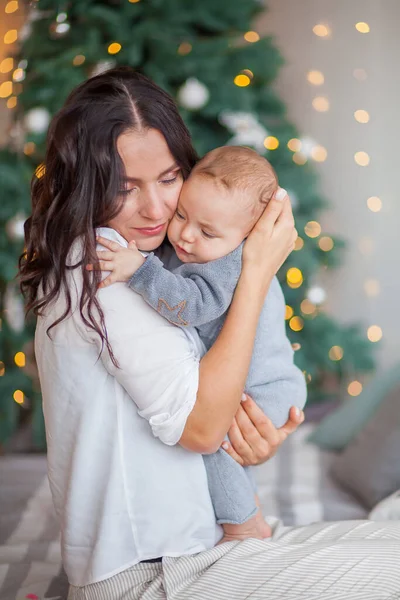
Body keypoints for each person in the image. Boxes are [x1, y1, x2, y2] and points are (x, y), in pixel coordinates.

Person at [19, 67, 400, 600]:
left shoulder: (154, 256)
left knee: (386, 541)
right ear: (86, 186)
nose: (156, 210)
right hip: (152, 573)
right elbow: (201, 429)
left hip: (199, 550)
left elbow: (213, 408)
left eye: (170, 178)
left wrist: (247, 435)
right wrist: (257, 269)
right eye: (125, 189)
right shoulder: (106, 268)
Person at [89, 145, 307, 544]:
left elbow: (191, 305)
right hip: (255, 384)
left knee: (216, 446)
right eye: (183, 215)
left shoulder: (230, 264)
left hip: (266, 390)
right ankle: (246, 504)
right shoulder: (207, 246)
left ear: (249, 236)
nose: (185, 235)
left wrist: (138, 269)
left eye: (206, 231)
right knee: (223, 447)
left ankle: (243, 525)